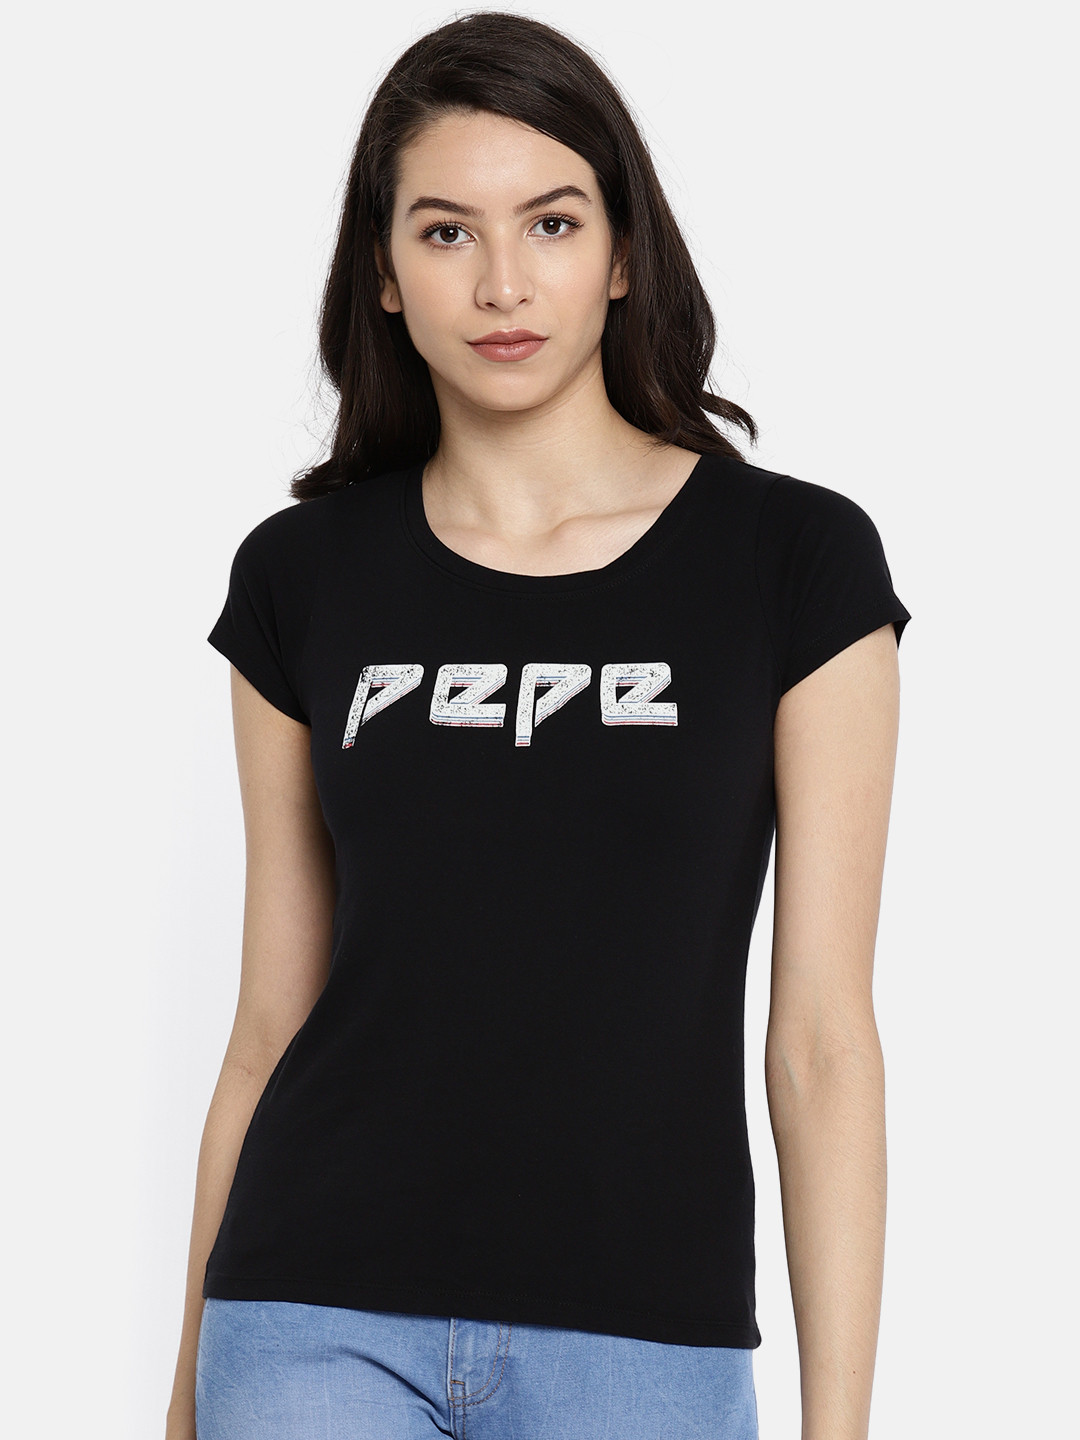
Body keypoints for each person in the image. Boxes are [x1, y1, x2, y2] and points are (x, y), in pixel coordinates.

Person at [167, 11, 911, 1439]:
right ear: (383, 275)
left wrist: (842, 1429)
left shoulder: (793, 563)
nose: (502, 282)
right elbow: (267, 1023)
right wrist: (184, 1393)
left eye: (552, 223)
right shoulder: (300, 578)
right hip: (309, 1315)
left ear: (623, 255)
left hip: (642, 1340)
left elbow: (822, 1040)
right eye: (446, 232)